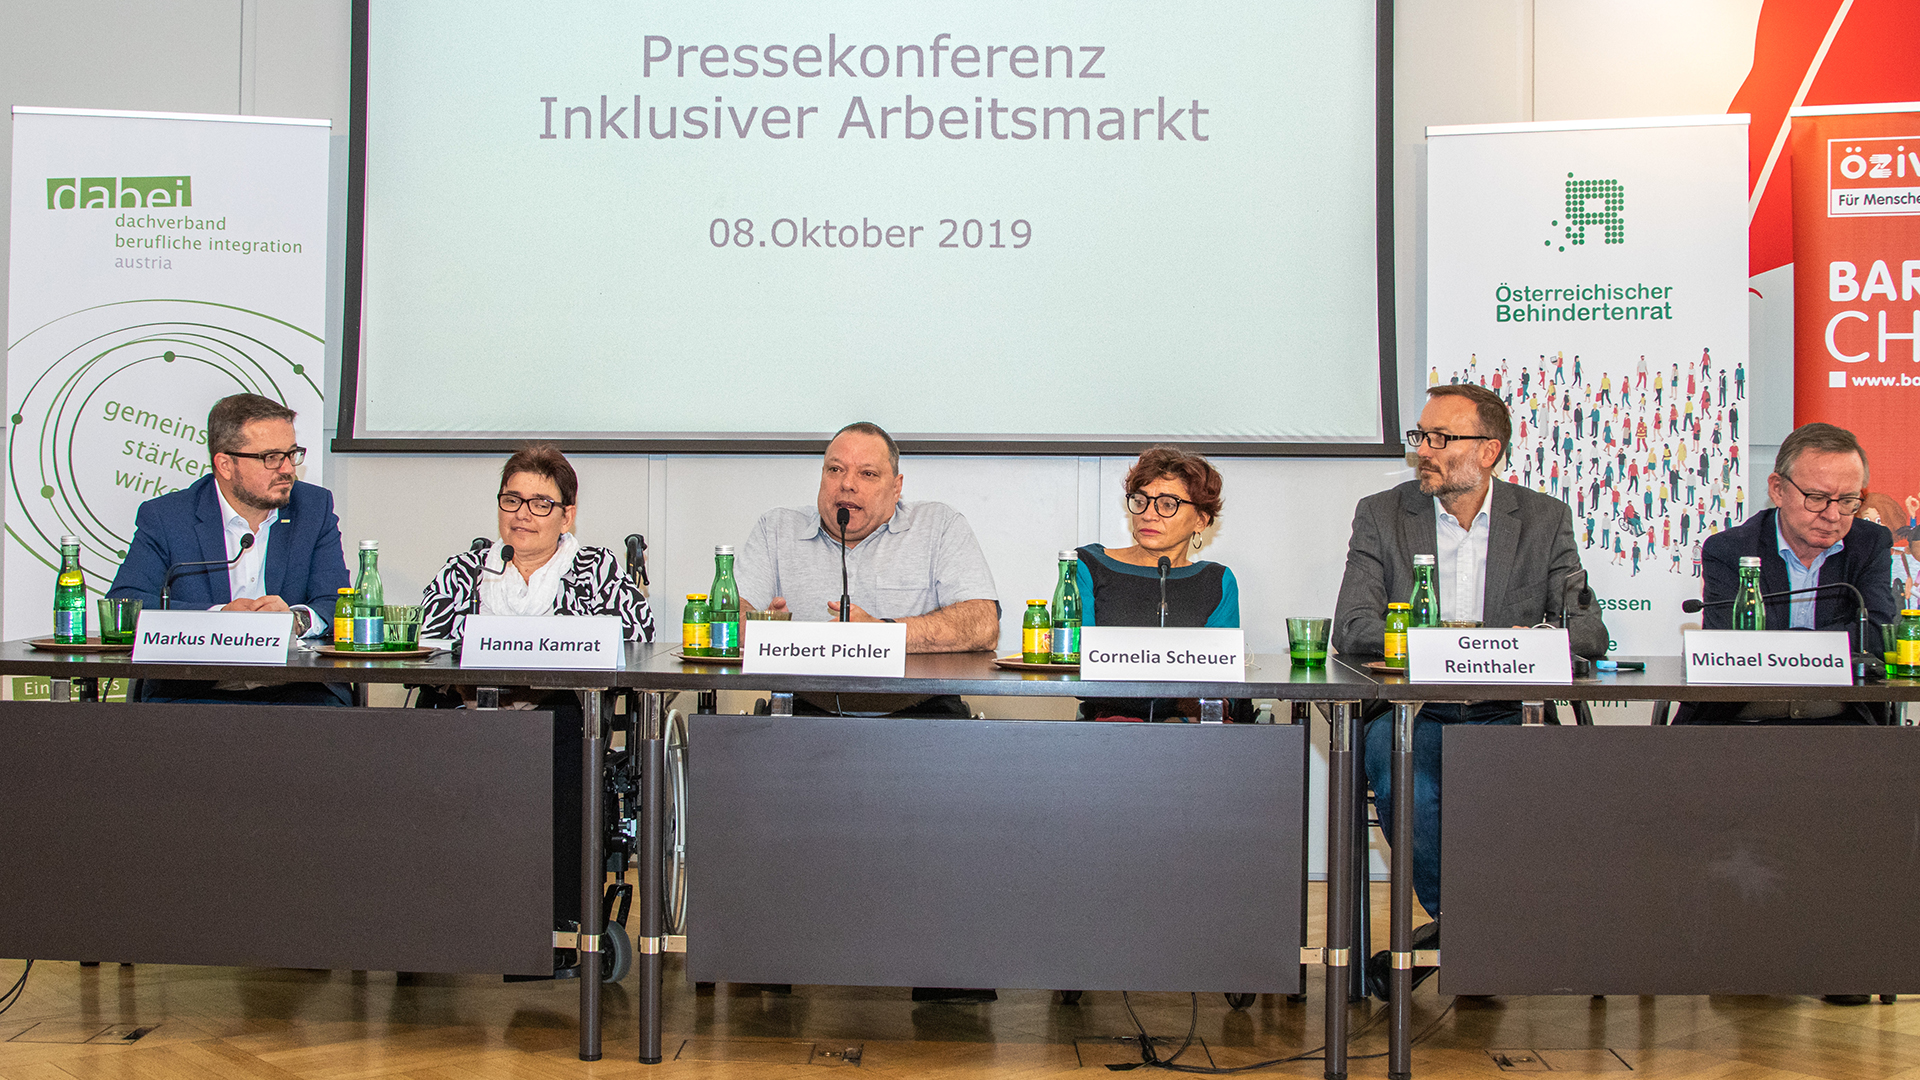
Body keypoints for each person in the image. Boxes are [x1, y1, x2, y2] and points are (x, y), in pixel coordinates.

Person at [1332, 383, 1606, 995]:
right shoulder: (1383, 514)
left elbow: (1587, 631)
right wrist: (1455, 644)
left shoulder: (1542, 518)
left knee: (1528, 785)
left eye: (1440, 438)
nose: (1424, 451)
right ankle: (1470, 927)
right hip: (1415, 711)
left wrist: (1515, 642)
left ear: (1489, 451)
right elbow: (1351, 628)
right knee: (1408, 768)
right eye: (1420, 438)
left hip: (1512, 711)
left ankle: (1470, 932)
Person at [416, 444, 654, 958]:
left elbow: (638, 638)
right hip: (469, 712)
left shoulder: (596, 568)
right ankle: (439, 920)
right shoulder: (466, 569)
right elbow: (428, 638)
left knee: (570, 730)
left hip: (556, 715)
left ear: (567, 515)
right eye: (512, 500)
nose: (523, 514)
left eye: (541, 503)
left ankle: (557, 927)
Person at [737, 422, 999, 718]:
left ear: (896, 487)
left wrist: (883, 634)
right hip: (803, 712)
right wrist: (764, 630)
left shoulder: (939, 526)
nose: (847, 483)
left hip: (921, 713)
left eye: (868, 474)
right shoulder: (776, 528)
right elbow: (729, 618)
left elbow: (983, 624)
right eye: (835, 470)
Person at [108, 393, 348, 704]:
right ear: (225, 464)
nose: (287, 469)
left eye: (292, 454)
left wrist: (296, 619)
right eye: (271, 458)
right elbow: (125, 606)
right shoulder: (168, 517)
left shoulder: (313, 508)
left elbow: (337, 601)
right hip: (195, 693)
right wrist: (218, 618)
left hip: (299, 691)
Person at [1677, 423, 1894, 727]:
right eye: (1817, 498)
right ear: (1777, 489)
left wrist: (1781, 648)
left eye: (1847, 501)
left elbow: (1878, 634)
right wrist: (1824, 649)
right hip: (1738, 724)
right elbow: (1732, 646)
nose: (1833, 516)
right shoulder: (1730, 549)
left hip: (1842, 723)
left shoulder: (1870, 544)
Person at [1073, 445, 1248, 722]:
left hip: (1192, 735)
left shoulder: (1216, 580)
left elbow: (1221, 684)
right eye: (1141, 501)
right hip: (1108, 732)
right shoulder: (1088, 565)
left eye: (1167, 504)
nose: (1148, 514)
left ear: (1201, 520)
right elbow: (1079, 666)